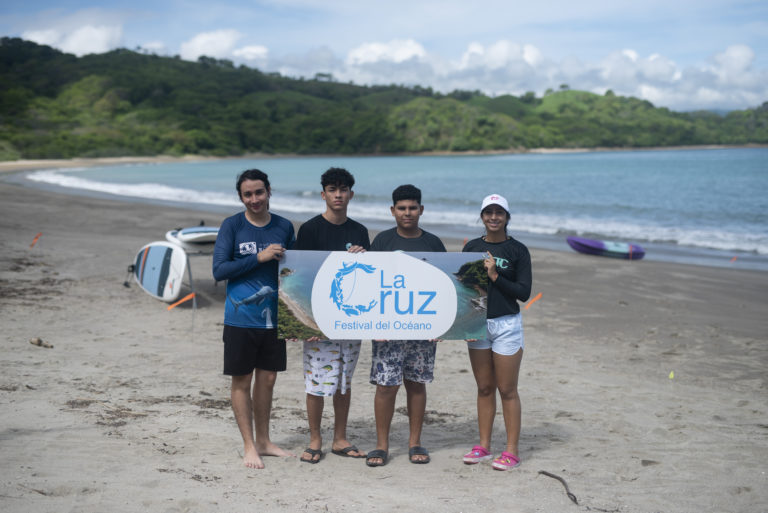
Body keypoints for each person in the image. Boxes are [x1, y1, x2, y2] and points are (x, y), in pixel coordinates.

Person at [212, 169, 296, 469]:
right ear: (241, 197)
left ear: (269, 191)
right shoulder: (232, 226)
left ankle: (264, 441)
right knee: (242, 380)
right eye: (247, 194)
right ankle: (249, 445)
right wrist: (258, 258)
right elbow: (219, 270)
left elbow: (294, 272)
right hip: (240, 318)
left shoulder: (284, 226)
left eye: (259, 192)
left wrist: (296, 318)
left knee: (268, 379)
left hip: (273, 319)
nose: (254, 199)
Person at [365, 184, 446, 467]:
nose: (407, 213)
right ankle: (381, 445)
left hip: (423, 329)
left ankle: (414, 442)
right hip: (387, 329)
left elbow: (443, 287)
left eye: (412, 208)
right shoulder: (382, 241)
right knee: (386, 387)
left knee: (416, 384)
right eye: (402, 208)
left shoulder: (434, 243)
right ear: (393, 210)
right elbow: (371, 284)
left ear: (421, 210)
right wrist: (374, 325)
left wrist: (441, 324)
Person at [294, 167, 370, 463]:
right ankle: (315, 439)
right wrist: (306, 325)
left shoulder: (359, 231)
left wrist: (363, 258)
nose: (338, 195)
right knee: (316, 382)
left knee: (343, 381)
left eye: (343, 189)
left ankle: (340, 438)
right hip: (318, 319)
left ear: (351, 194)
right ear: (323, 194)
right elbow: (301, 276)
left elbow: (367, 278)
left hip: (349, 318)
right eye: (332, 189)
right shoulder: (310, 229)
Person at [461, 193, 532, 471]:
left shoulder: (518, 250)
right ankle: (483, 446)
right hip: (479, 324)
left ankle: (512, 451)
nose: (493, 217)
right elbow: (466, 289)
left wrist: (494, 276)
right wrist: (463, 324)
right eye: (488, 212)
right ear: (482, 217)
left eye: (499, 212)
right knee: (484, 387)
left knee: (507, 389)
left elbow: (523, 292)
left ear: (507, 217)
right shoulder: (472, 248)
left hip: (506, 325)